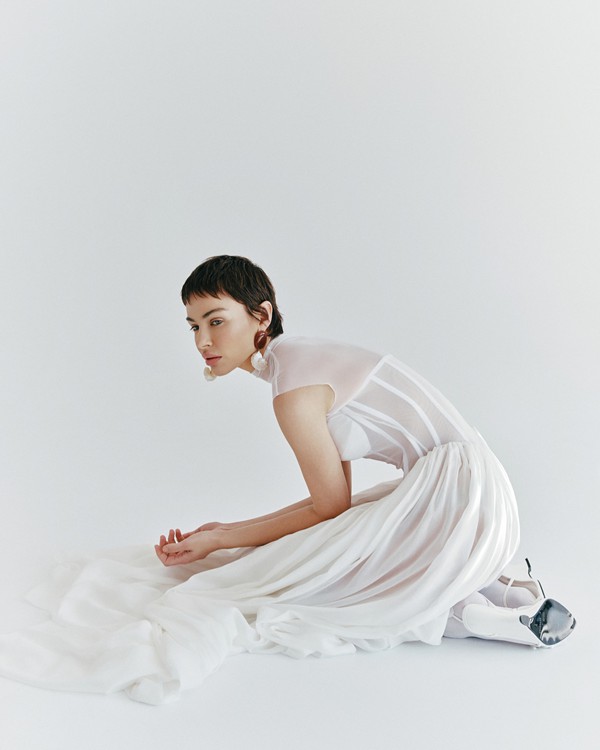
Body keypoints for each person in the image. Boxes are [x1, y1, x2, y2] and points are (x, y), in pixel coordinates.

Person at [0, 255, 575, 705]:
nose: (203, 341)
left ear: (262, 315)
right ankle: (505, 597)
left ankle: (479, 616)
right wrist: (226, 532)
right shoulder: (302, 361)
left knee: (314, 579)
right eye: (193, 326)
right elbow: (336, 505)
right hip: (479, 493)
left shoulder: (293, 387)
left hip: (452, 494)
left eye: (217, 321)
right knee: (337, 549)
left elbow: (327, 508)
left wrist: (222, 537)